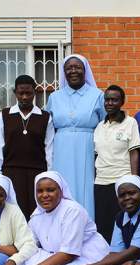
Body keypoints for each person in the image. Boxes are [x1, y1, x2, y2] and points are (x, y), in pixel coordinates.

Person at [0, 171, 109, 265]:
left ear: (61, 191)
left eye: (50, 190)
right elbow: (28, 245)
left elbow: (69, 254)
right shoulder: (37, 215)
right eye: (40, 191)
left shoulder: (73, 211)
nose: (45, 195)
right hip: (54, 255)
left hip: (83, 256)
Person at [45, 54, 106, 216]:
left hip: (87, 149)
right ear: (64, 72)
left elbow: (106, 125)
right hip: (61, 151)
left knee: (86, 189)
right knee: (63, 188)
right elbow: (48, 129)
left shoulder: (97, 95)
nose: (73, 71)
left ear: (85, 71)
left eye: (77, 67)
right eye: (69, 68)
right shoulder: (54, 97)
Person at [0, 75, 54, 218]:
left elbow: (49, 151)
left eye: (28, 93)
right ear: (15, 93)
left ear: (35, 93)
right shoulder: (5, 115)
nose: (24, 97)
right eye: (21, 93)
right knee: (13, 212)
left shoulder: (45, 117)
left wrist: (48, 176)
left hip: (37, 173)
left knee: (37, 212)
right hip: (11, 173)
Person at [93, 84, 140, 242]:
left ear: (122, 102)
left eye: (114, 100)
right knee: (102, 224)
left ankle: (121, 257)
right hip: (101, 182)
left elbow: (134, 152)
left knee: (121, 223)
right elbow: (97, 155)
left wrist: (134, 180)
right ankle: (104, 257)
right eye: (107, 100)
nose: (110, 103)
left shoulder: (130, 123)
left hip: (121, 181)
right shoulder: (100, 126)